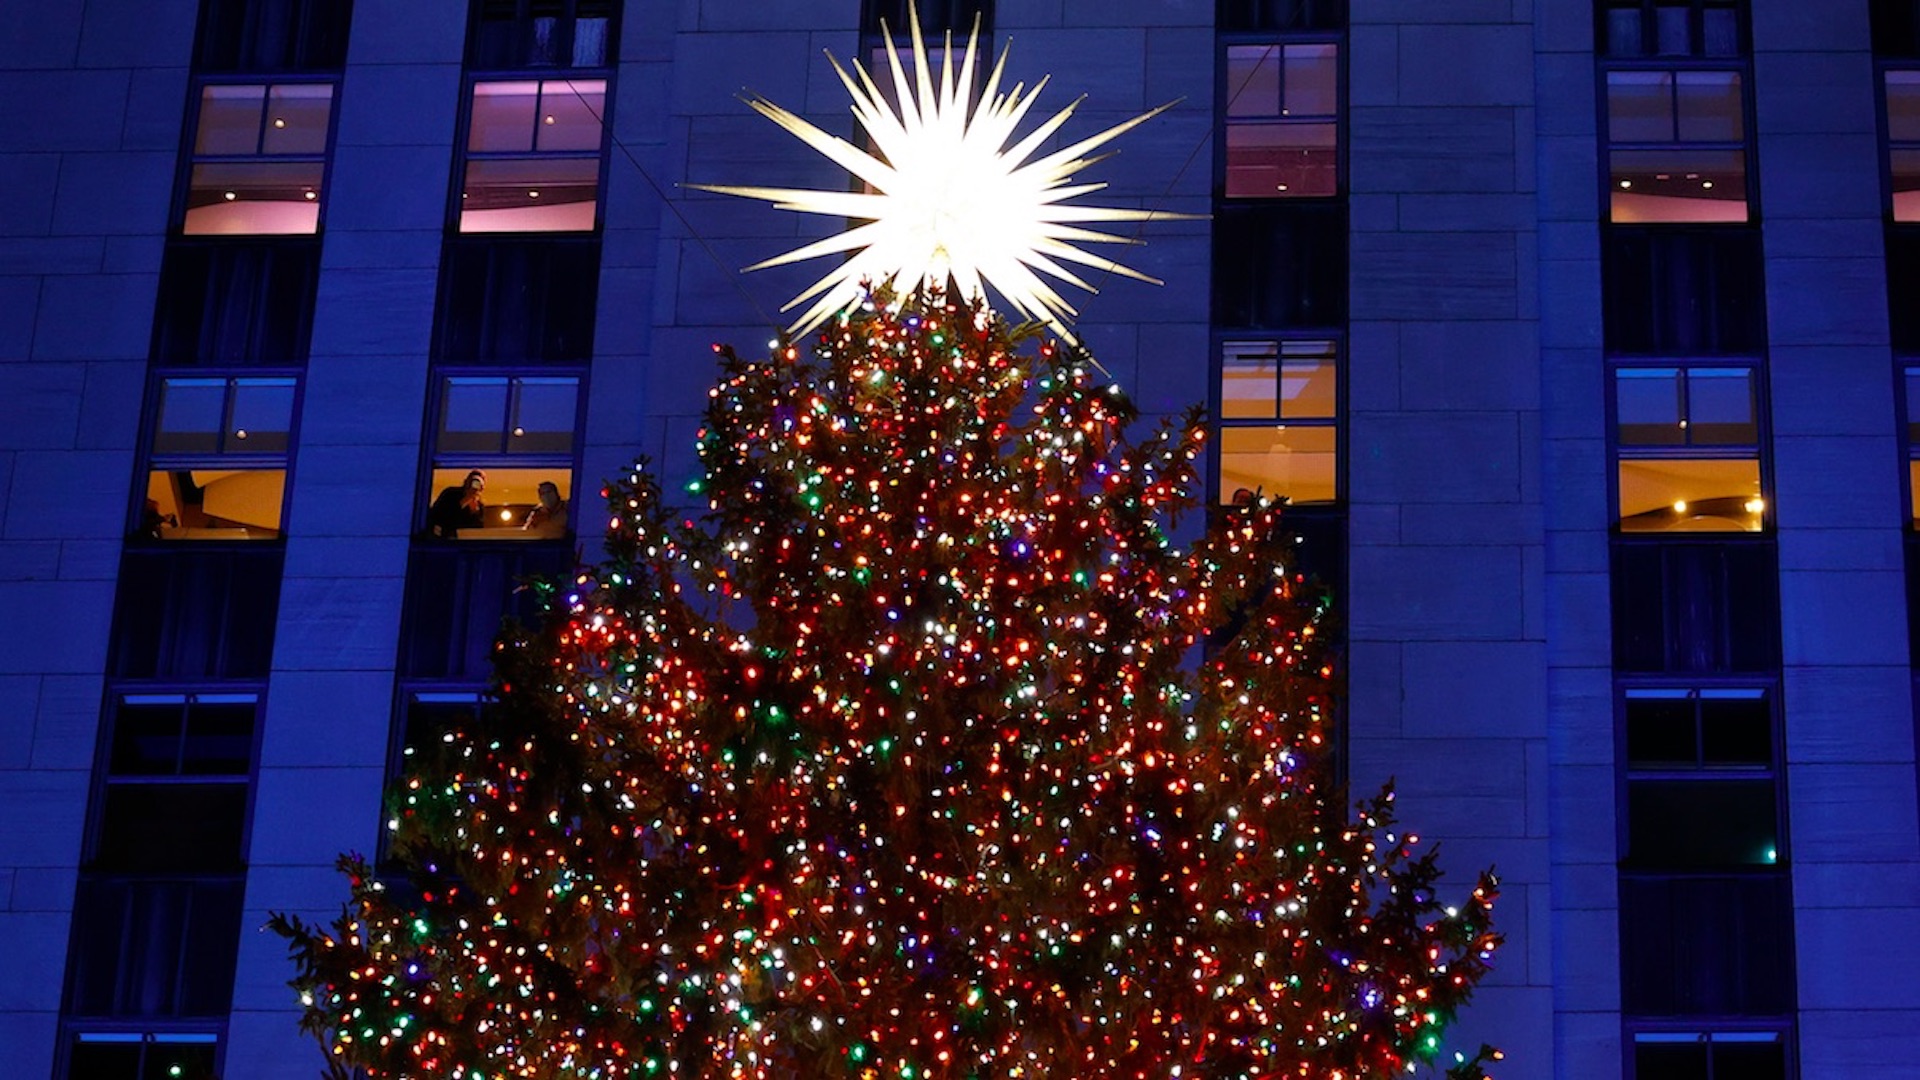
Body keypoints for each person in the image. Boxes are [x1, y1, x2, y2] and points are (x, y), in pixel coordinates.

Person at [427, 469, 486, 538]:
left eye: (478, 484)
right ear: (466, 482)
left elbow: (477, 530)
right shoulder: (450, 493)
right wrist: (464, 501)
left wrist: (474, 511)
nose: (474, 486)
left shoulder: (479, 505)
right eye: (472, 482)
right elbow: (440, 516)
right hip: (441, 536)